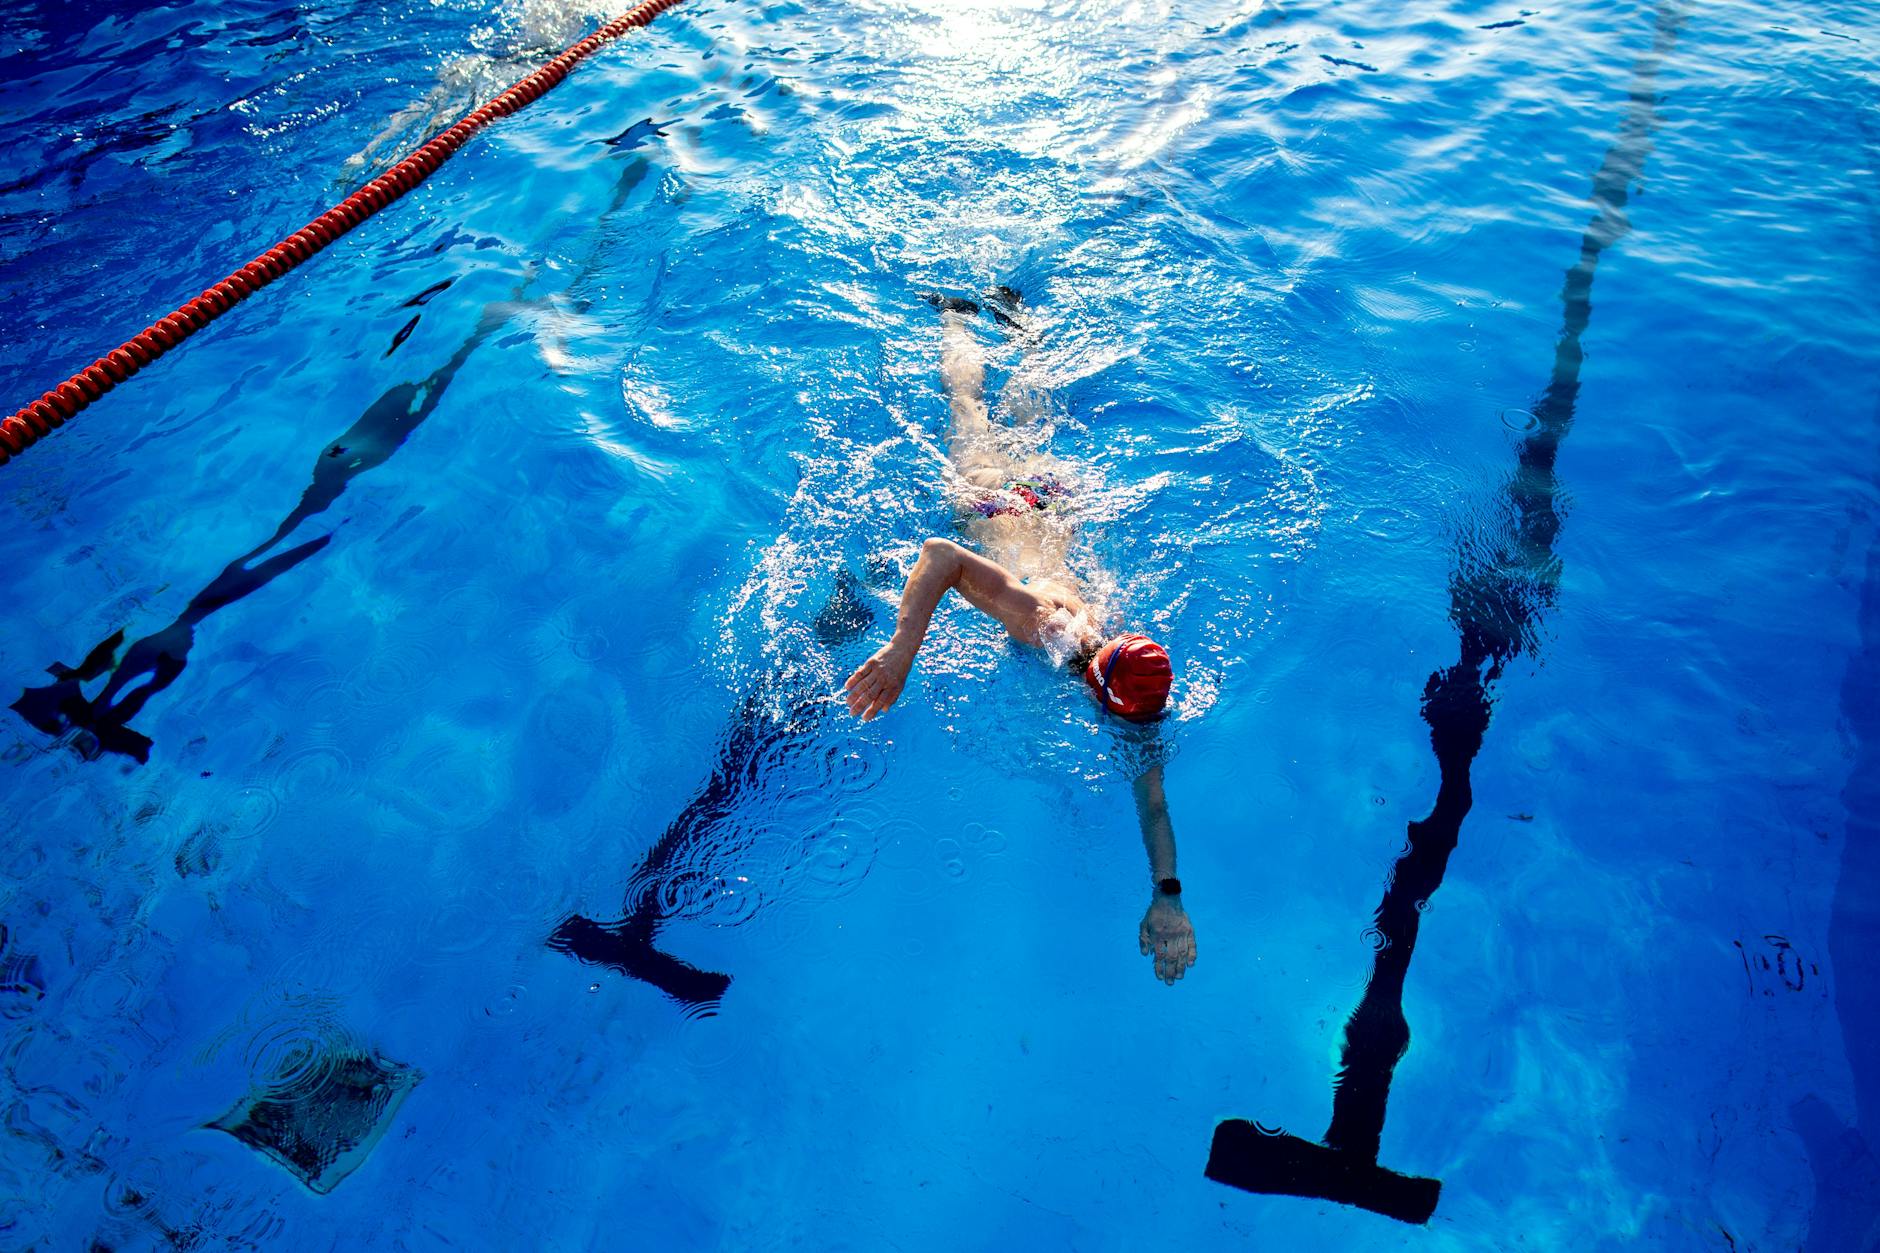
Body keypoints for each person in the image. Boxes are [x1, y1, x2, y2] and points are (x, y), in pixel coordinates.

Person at [843, 290, 1197, 985]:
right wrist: (900, 650)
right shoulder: (1044, 626)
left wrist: (1168, 895)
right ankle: (953, 317)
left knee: (1029, 414)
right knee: (968, 409)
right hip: (993, 502)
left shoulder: (1115, 668)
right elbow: (940, 555)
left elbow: (1153, 801)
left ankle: (1023, 329)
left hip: (1049, 503)